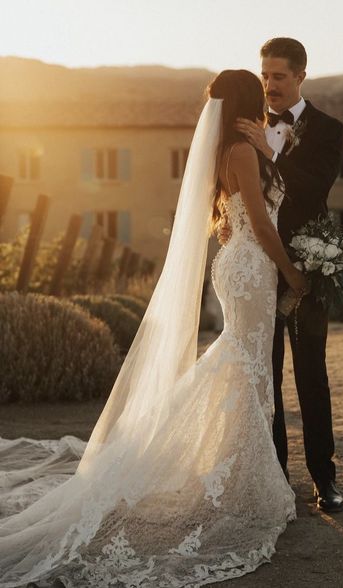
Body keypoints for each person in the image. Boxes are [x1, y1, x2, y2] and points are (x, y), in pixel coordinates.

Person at [0, 70, 307, 588]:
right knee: (245, 364)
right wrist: (293, 273)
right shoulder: (242, 152)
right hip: (253, 268)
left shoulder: (230, 150)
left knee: (243, 362)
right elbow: (259, 219)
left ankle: (238, 476)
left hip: (239, 266)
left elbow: (239, 218)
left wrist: (272, 158)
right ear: (249, 101)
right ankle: (233, 481)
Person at [233, 38, 343, 512]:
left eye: (278, 76)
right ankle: (277, 478)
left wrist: (273, 153)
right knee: (267, 376)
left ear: (300, 75)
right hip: (261, 269)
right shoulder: (251, 126)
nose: (269, 86)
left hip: (308, 264)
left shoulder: (328, 128)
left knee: (311, 374)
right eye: (264, 76)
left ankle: (325, 479)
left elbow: (316, 185)